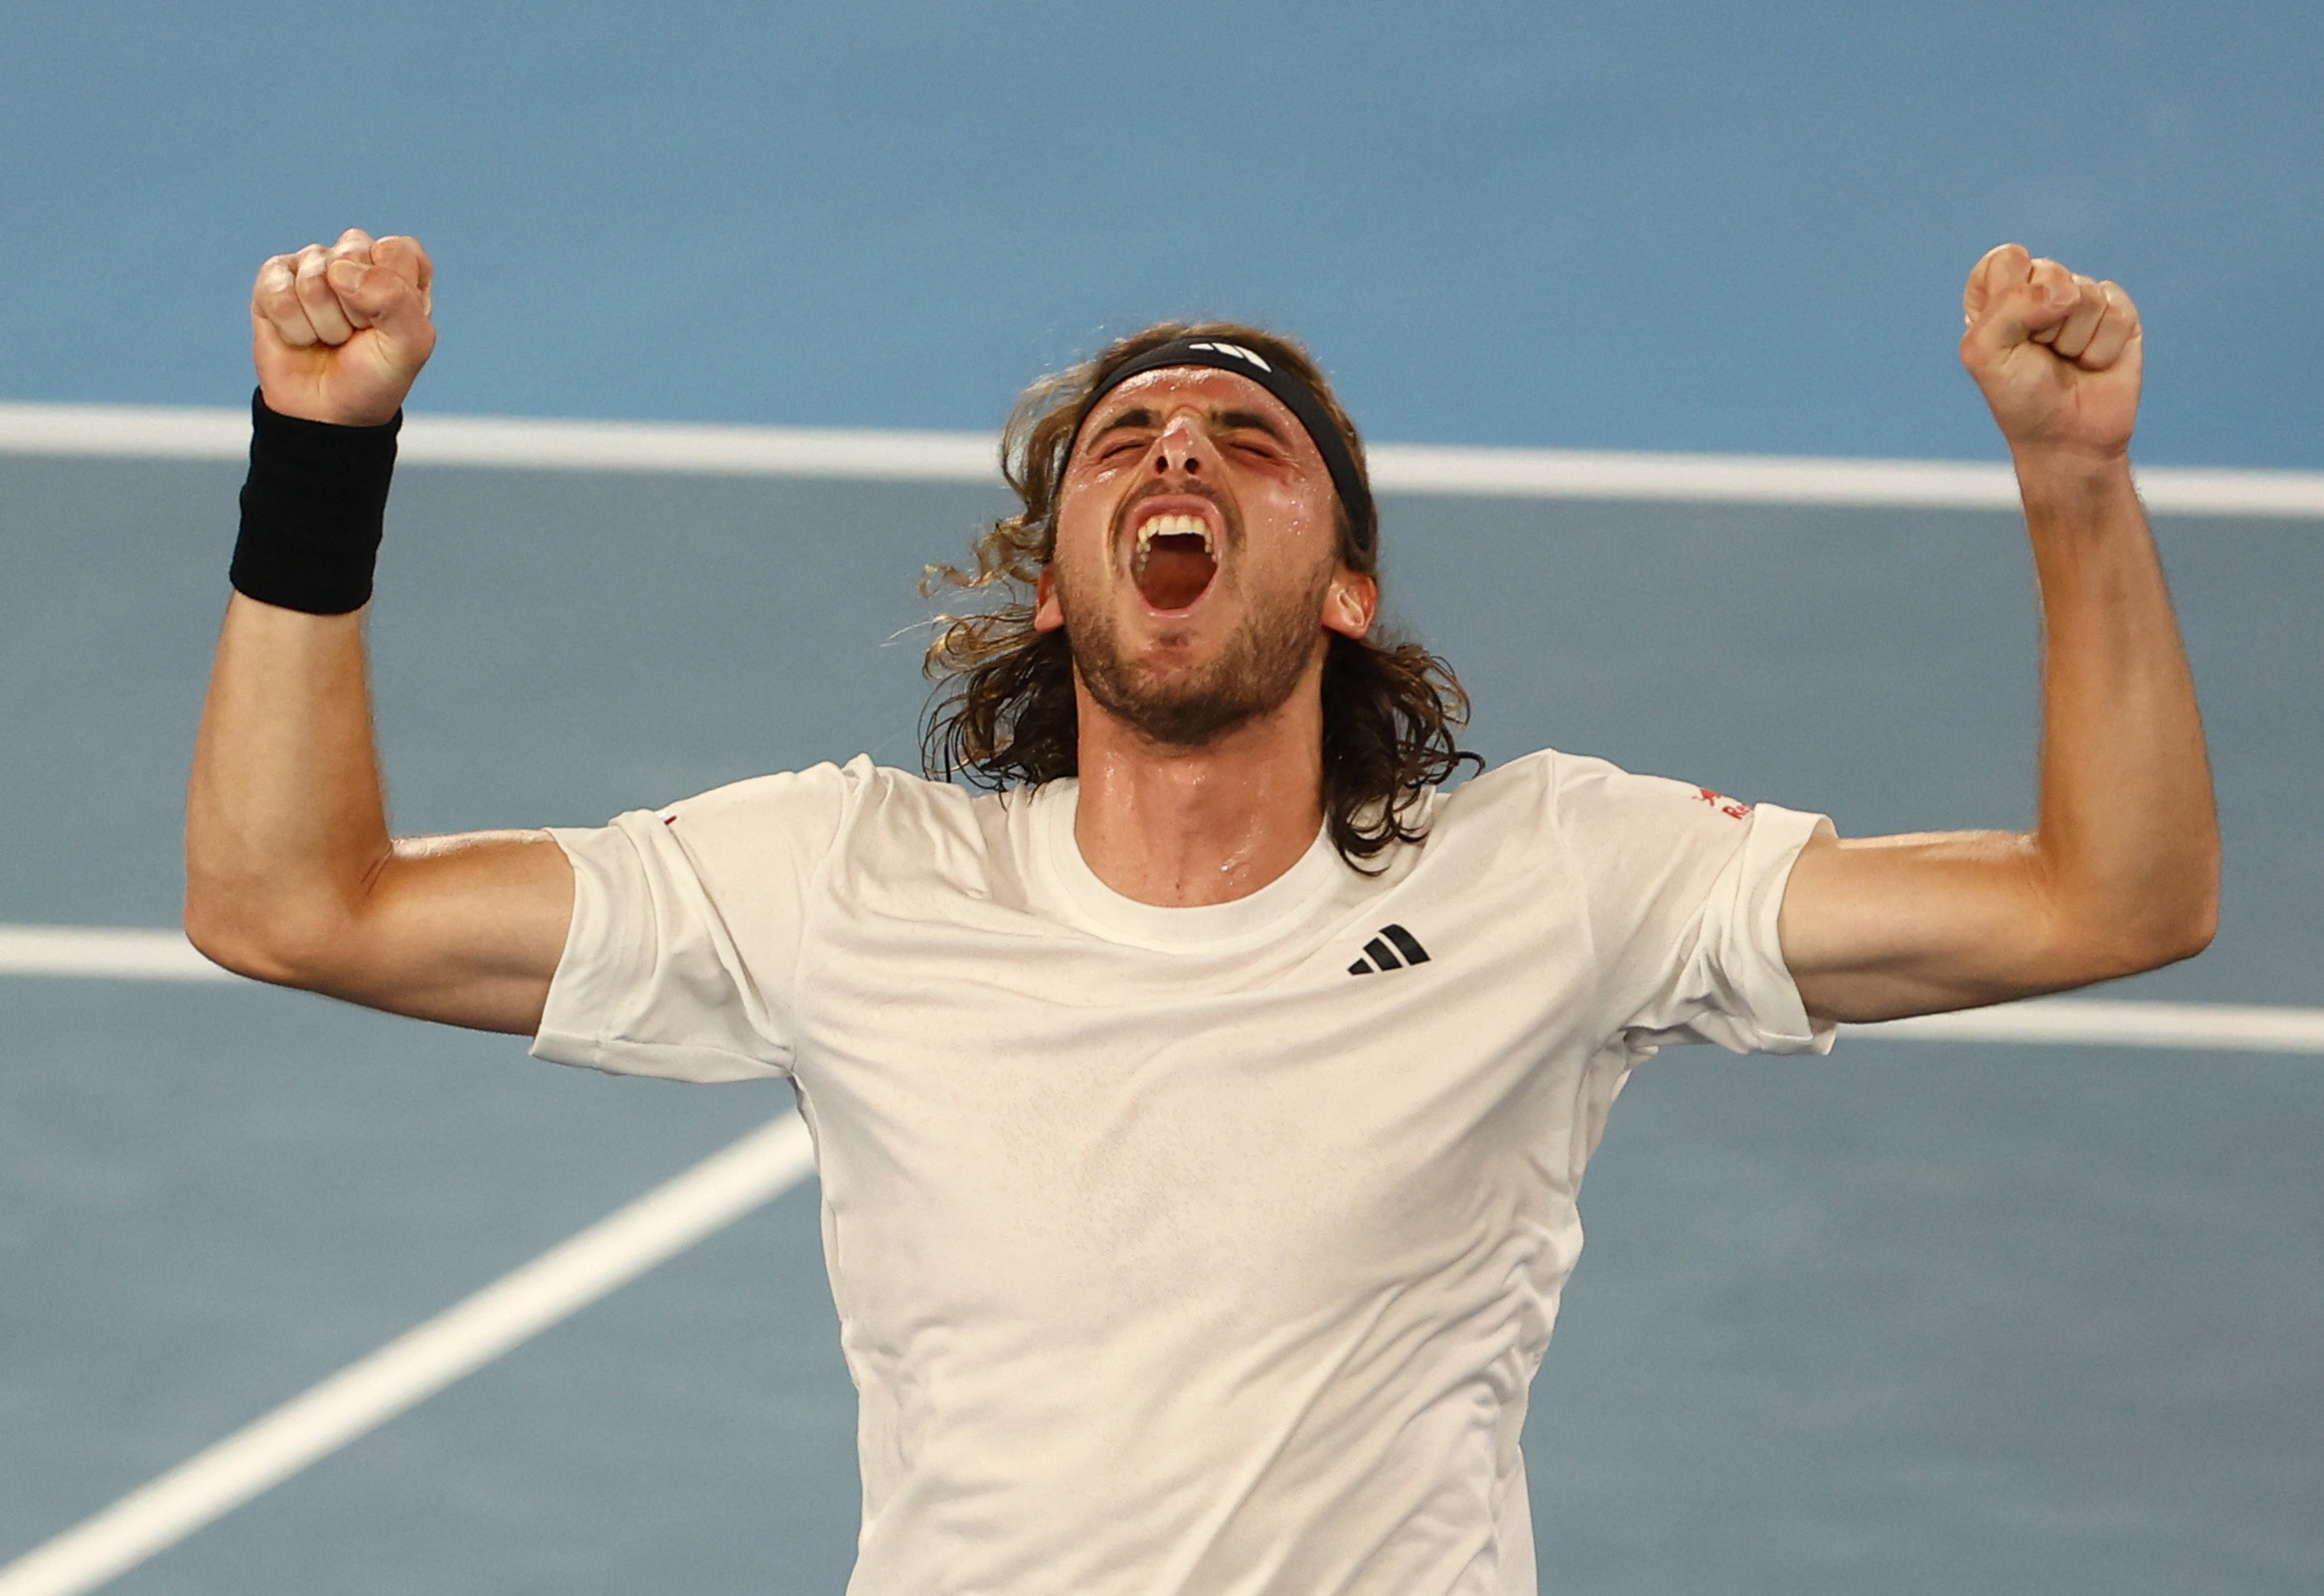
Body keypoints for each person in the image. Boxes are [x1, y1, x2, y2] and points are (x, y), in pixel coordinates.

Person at [185, 228, 2219, 1595]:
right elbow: (291, 903)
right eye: (1128, 444)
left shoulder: (1551, 872)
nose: (1180, 450)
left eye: (1250, 444)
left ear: (1342, 586)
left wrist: (2071, 483)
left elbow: (2108, 899)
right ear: (1049, 587)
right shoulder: (843, 879)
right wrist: (318, 455)